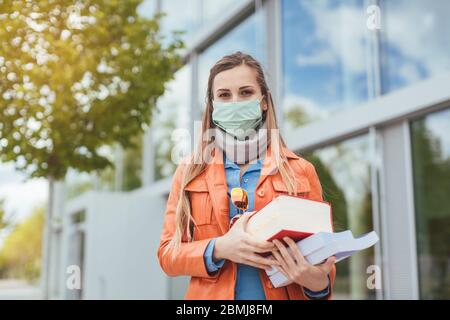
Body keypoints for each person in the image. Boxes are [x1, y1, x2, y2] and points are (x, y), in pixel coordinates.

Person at [157, 51, 336, 300]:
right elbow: (168, 255)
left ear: (263, 100)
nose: (235, 103)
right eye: (224, 95)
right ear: (213, 105)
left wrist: (316, 283)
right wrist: (219, 248)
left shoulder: (300, 170)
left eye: (246, 92)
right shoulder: (190, 171)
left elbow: (324, 264)